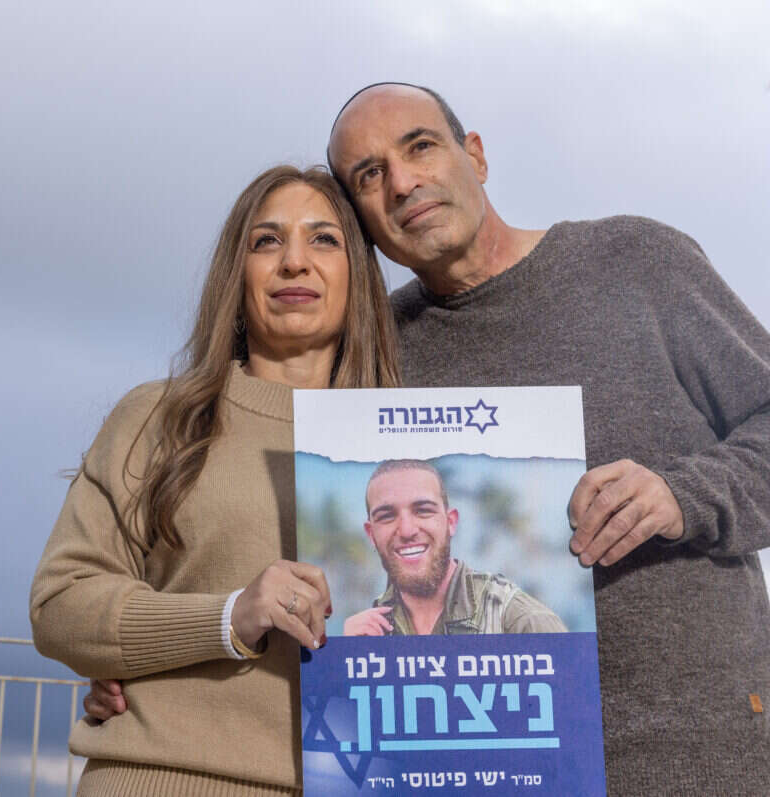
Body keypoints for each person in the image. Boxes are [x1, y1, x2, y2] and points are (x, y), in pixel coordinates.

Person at [326, 83, 770, 794]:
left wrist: (682, 494)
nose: (402, 183)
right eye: (370, 175)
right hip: (495, 771)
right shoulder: (372, 355)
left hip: (702, 752)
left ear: (475, 156)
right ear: (360, 221)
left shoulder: (636, 260)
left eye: (420, 147)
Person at [30, 165, 401, 796]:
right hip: (162, 780)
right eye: (267, 241)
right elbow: (60, 606)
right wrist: (229, 615)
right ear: (237, 273)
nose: (294, 262)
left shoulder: (413, 447)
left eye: (323, 239)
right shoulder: (157, 416)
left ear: (358, 277)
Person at [343, 459, 566, 636]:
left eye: (423, 510)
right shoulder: (368, 633)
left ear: (451, 522)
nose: (407, 530)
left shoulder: (521, 622)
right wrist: (344, 657)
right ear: (371, 534)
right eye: (386, 516)